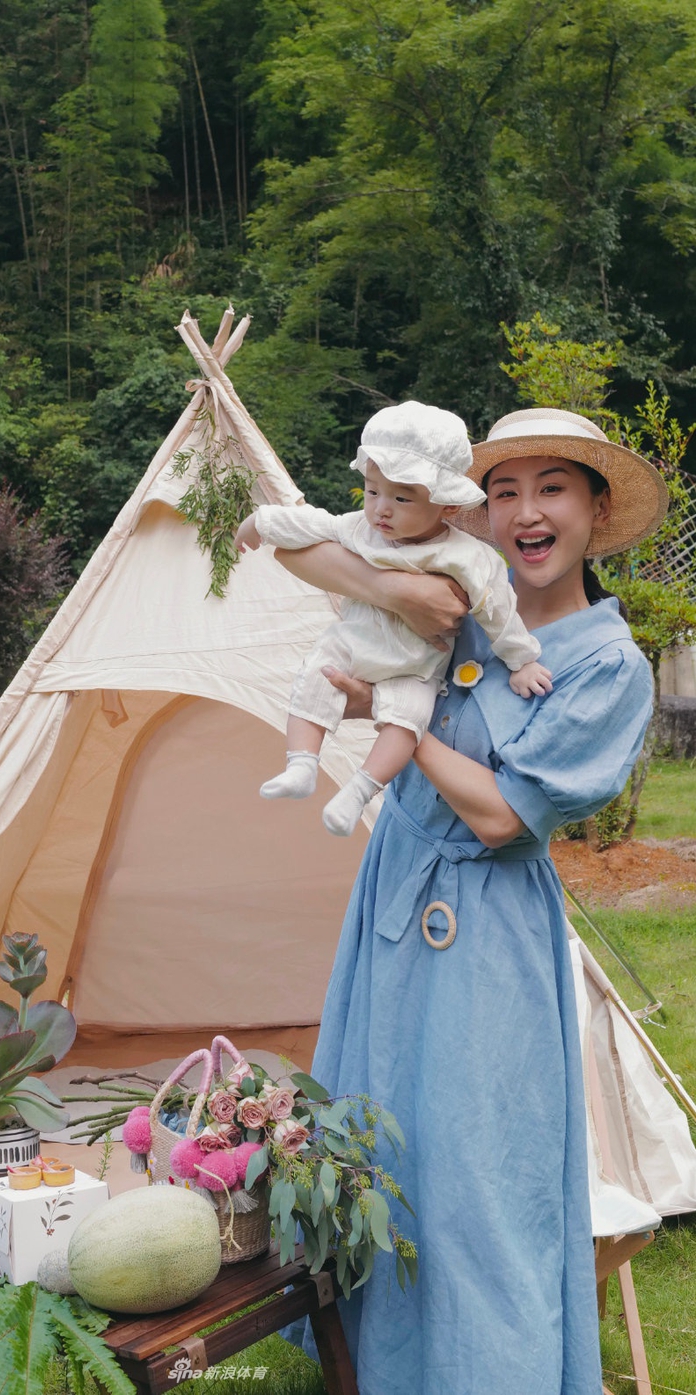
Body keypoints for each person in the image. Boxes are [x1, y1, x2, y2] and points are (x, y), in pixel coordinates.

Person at [279, 406, 668, 1395]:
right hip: (392, 903)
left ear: (592, 509)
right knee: (375, 1155)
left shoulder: (603, 666)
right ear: (474, 507)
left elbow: (502, 816)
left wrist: (382, 717)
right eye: (504, 491)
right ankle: (371, 1374)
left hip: (485, 929)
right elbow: (302, 550)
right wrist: (385, 590)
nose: (525, 513)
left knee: (477, 1187)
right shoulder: (451, 590)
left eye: (551, 490)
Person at [234, 401, 551, 836]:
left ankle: (359, 791)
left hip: (415, 665)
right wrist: (262, 521)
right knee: (316, 673)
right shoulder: (362, 529)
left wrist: (522, 660)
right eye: (372, 491)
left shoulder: (466, 556)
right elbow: (313, 526)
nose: (382, 509)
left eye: (402, 498)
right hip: (354, 643)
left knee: (408, 720)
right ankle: (302, 764)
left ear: (448, 507)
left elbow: (498, 609)